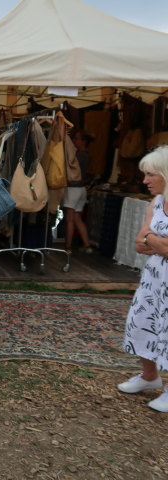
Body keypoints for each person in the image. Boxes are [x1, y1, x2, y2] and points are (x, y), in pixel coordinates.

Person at [118, 146, 168, 412]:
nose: (145, 180)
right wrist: (154, 241)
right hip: (154, 277)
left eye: (150, 175)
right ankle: (150, 377)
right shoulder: (157, 202)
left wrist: (154, 240)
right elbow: (140, 242)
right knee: (142, 322)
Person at [63, 130, 94, 254]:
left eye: (76, 139)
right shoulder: (86, 155)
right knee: (77, 218)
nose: (74, 141)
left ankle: (68, 247)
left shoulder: (79, 155)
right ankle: (87, 245)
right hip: (81, 190)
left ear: (83, 141)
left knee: (69, 219)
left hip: (73, 189)